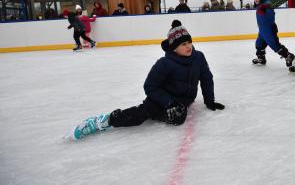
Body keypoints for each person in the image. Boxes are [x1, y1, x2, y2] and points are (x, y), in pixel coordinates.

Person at [67, 21, 225, 140]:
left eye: (189, 42)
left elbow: (206, 78)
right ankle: (103, 121)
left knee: (178, 118)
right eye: (183, 44)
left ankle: (158, 114)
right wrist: (168, 103)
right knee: (140, 115)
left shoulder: (198, 57)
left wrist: (209, 101)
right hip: (161, 98)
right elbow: (150, 86)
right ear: (174, 47)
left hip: (183, 100)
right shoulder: (164, 63)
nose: (188, 46)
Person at [252, 0, 295, 67]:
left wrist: (265, 8)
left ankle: (289, 56)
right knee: (259, 44)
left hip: (269, 29)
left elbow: (270, 11)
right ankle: (261, 58)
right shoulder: (260, 5)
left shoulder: (267, 4)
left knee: (274, 45)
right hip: (262, 30)